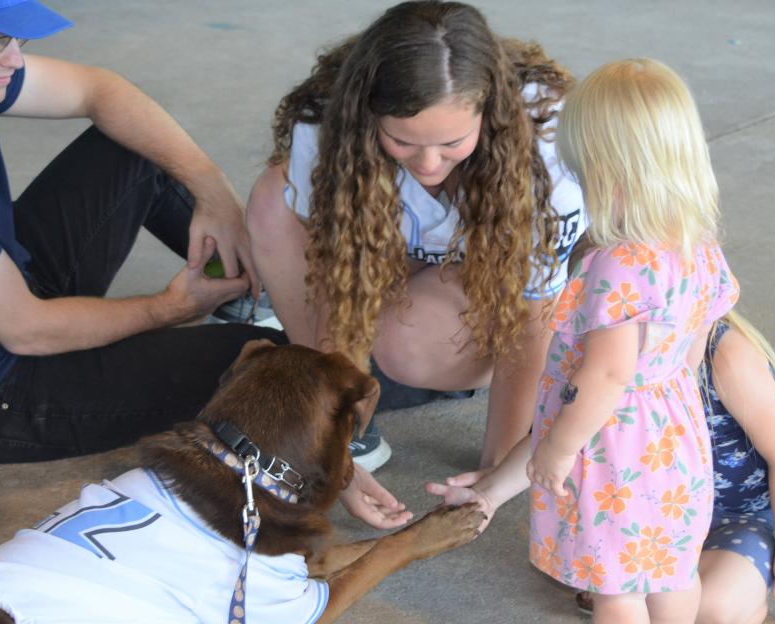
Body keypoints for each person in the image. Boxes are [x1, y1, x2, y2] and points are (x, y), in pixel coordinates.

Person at [428, 59, 740, 624]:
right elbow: (691, 347)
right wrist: (495, 486)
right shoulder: (698, 246)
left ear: (609, 172)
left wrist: (560, 450)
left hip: (615, 447)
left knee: (617, 594)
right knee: (671, 573)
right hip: (676, 440)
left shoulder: (619, 267)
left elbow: (604, 379)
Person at [0, 0, 287, 463]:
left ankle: (243, 287)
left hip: (14, 284)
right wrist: (170, 309)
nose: (14, 59)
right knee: (276, 363)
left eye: (18, 40)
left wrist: (213, 192)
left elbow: (99, 89)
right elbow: (27, 331)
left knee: (140, 145)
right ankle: (372, 360)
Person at [245, 1, 586, 528]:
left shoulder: (547, 139)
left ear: (489, 111)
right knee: (273, 200)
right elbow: (344, 292)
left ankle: (459, 358)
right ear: (367, 112)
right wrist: (336, 452)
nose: (428, 164)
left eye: (452, 143)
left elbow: (533, 318)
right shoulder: (328, 120)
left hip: (496, 280)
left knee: (406, 344)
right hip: (402, 253)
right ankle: (323, 387)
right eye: (402, 140)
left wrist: (498, 471)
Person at [574, 311, 775, 624]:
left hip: (745, 515)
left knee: (717, 608)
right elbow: (578, 433)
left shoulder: (728, 355)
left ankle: (716, 588)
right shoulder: (628, 348)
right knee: (630, 592)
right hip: (661, 507)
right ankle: (662, 581)